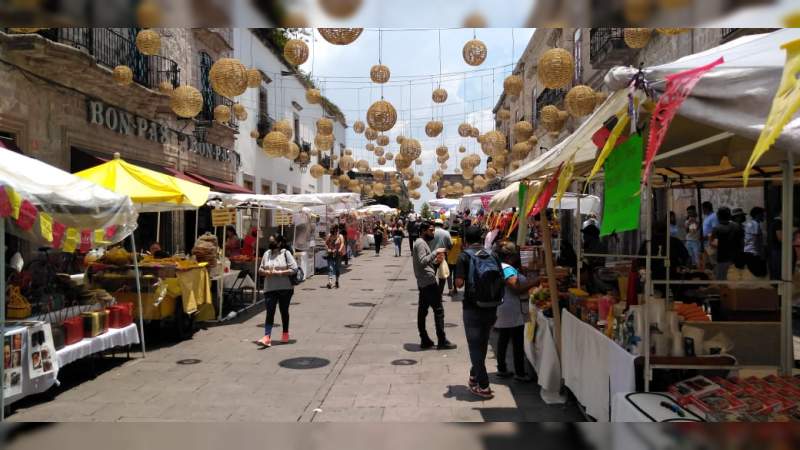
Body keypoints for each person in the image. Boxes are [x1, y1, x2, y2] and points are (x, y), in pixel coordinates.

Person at [455, 225, 503, 399]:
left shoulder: (464, 256)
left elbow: (459, 284)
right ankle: (474, 377)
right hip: (492, 305)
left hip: (473, 307)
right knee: (482, 343)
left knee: (475, 346)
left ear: (465, 239)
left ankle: (484, 386)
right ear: (482, 238)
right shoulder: (493, 255)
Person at [495, 242, 537, 382]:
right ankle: (519, 372)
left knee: (504, 338)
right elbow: (516, 288)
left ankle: (502, 368)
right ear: (511, 257)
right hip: (511, 308)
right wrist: (535, 282)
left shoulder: (505, 267)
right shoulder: (506, 268)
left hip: (507, 307)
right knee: (516, 341)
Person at [412, 220, 456, 351]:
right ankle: (441, 340)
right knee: (438, 310)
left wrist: (436, 262)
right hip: (428, 281)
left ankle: (425, 339)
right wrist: (435, 252)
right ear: (424, 231)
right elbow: (421, 262)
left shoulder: (421, 242)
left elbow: (425, 262)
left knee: (423, 310)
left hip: (424, 280)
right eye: (431, 230)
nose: (433, 232)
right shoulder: (420, 243)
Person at [256, 235, 298, 348]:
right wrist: (265, 272)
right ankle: (267, 337)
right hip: (270, 288)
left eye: (272, 241)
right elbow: (260, 269)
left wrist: (279, 273)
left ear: (279, 243)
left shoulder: (285, 253)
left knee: (284, 311)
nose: (270, 243)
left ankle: (285, 333)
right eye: (269, 241)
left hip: (285, 288)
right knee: (270, 312)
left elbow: (294, 268)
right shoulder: (267, 254)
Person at [710, 207, 744, 281]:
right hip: (735, 259)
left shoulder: (717, 229)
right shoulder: (737, 226)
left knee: (722, 281)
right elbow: (742, 243)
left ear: (718, 216)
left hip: (722, 259)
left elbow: (713, 244)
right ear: (729, 216)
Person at [430, 219, 453, 295]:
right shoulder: (446, 233)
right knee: (442, 276)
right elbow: (450, 245)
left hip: (431, 256)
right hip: (442, 256)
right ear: (442, 225)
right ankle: (439, 294)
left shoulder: (431, 232)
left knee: (431, 275)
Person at [325, 225, 346, 289]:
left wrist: (339, 249)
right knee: (330, 268)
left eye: (336, 230)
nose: (335, 231)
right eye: (334, 229)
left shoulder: (340, 236)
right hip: (330, 253)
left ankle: (337, 281)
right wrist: (327, 249)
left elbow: (342, 243)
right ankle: (330, 282)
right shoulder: (329, 235)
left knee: (337, 268)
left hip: (338, 254)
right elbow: (326, 243)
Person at [447, 229, 463, 297]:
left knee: (449, 276)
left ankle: (450, 290)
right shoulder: (459, 240)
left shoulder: (450, 240)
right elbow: (462, 248)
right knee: (456, 276)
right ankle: (455, 289)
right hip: (457, 260)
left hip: (449, 260)